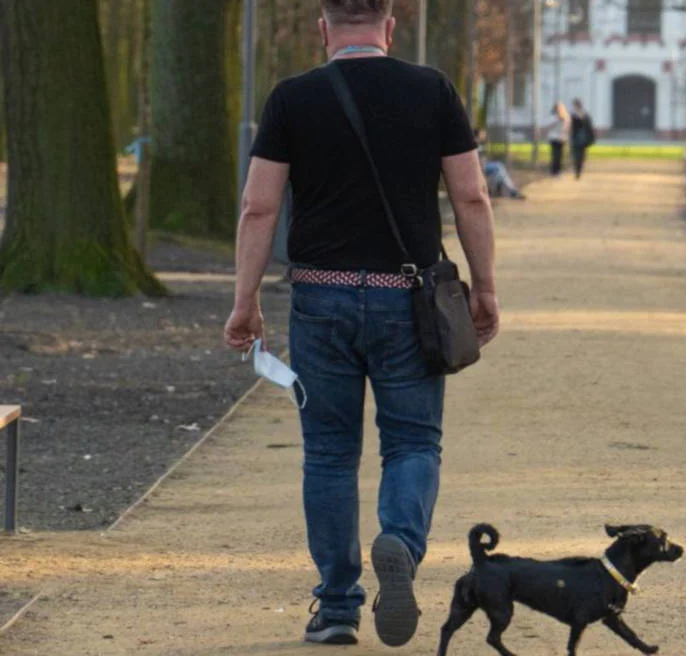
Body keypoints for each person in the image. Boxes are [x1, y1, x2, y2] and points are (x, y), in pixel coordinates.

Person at [223, 0, 499, 647]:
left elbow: (259, 207)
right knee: (411, 443)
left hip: (321, 300)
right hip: (411, 302)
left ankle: (338, 606)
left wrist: (246, 301)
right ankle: (399, 540)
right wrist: (483, 288)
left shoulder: (292, 99)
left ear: (323, 28)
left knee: (328, 454)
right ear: (391, 25)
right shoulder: (432, 90)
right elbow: (470, 195)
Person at [475, 128, 526, 200]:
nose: (484, 135)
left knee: (499, 171)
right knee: (499, 167)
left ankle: (499, 191)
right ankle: (511, 192)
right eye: (482, 133)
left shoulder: (480, 144)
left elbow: (483, 158)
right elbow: (477, 160)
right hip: (479, 167)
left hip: (483, 165)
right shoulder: (475, 144)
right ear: (478, 134)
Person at [569, 98, 595, 179]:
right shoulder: (573, 115)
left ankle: (578, 169)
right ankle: (577, 170)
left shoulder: (585, 115)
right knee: (577, 155)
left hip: (582, 138)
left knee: (581, 155)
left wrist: (591, 138)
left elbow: (589, 128)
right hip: (576, 138)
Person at [548, 101, 571, 176]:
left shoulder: (565, 117)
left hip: (561, 138)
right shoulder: (553, 116)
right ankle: (554, 171)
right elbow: (549, 125)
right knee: (554, 155)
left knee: (559, 155)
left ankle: (557, 171)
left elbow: (566, 127)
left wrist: (563, 135)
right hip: (553, 138)